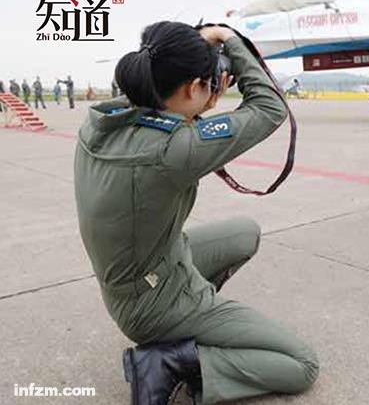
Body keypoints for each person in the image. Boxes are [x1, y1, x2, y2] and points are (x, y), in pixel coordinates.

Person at [73, 21, 318, 405]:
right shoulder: (173, 151)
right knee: (301, 364)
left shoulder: (101, 122)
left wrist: (195, 78)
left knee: (244, 232)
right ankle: (172, 360)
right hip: (154, 305)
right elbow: (269, 108)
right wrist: (230, 41)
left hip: (141, 276)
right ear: (190, 88)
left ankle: (191, 327)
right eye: (208, 83)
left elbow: (160, 99)